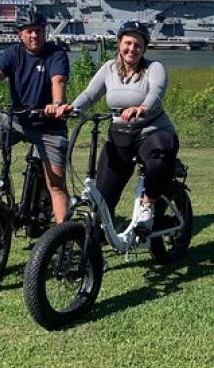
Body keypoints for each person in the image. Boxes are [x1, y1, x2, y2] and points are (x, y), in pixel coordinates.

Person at [54, 21, 179, 234]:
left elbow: (156, 91)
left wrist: (143, 107)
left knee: (160, 155)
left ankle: (147, 205)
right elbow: (90, 94)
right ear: (119, 43)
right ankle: (100, 236)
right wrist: (72, 108)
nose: (132, 49)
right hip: (120, 133)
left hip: (151, 131)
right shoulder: (109, 69)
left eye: (138, 45)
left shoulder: (153, 68)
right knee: (103, 197)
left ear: (144, 48)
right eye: (128, 43)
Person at [0, 9, 70, 224]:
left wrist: (57, 104)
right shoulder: (14, 53)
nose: (34, 36)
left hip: (49, 126)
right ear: (20, 34)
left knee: (55, 184)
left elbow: (58, 81)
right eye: (28, 32)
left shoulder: (56, 54)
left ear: (45, 32)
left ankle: (62, 239)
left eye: (38, 31)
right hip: (16, 120)